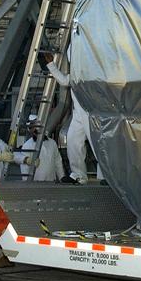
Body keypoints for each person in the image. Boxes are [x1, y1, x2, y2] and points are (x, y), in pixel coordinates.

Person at [41, 51, 91, 183]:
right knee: (73, 142)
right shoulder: (75, 74)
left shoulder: (93, 71)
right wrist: (51, 64)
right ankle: (79, 175)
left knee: (99, 145)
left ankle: (106, 176)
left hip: (92, 113)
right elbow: (63, 81)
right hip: (78, 114)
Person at [18, 116, 65, 182]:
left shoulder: (52, 143)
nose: (37, 131)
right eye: (34, 128)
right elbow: (24, 168)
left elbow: (58, 162)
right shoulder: (27, 146)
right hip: (36, 184)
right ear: (31, 130)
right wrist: (27, 184)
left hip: (51, 183)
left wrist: (62, 178)